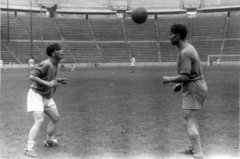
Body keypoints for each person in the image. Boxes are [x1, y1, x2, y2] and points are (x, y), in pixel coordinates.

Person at [162, 24, 208, 159]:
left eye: (170, 34)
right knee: (191, 120)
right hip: (195, 86)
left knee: (188, 121)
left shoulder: (185, 52)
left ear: (177, 35)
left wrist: (170, 79)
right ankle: (194, 149)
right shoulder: (188, 48)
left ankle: (198, 153)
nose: (169, 37)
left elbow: (185, 76)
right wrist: (181, 85)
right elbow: (190, 74)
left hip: (194, 89)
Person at [25, 43, 68, 157]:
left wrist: (59, 80)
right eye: (59, 50)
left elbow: (49, 78)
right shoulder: (46, 64)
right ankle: (29, 149)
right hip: (36, 94)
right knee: (39, 120)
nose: (62, 51)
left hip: (46, 95)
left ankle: (49, 141)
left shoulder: (55, 64)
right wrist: (48, 83)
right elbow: (32, 76)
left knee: (55, 117)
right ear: (53, 53)